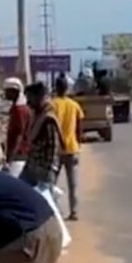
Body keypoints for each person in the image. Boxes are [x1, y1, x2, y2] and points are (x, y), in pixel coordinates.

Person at [20, 82, 63, 194]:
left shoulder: (48, 119)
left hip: (43, 170)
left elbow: (53, 147)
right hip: (31, 166)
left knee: (47, 202)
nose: (28, 102)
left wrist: (49, 172)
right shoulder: (37, 116)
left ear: (39, 97)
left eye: (30, 98)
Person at [51, 76, 84, 220]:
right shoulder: (74, 105)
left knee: (51, 182)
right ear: (67, 88)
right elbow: (79, 127)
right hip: (72, 148)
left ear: (56, 87)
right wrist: (78, 142)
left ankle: (53, 211)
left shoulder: (51, 104)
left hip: (56, 150)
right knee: (73, 184)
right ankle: (74, 211)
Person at [3, 77, 31, 175]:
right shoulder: (16, 108)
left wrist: (10, 159)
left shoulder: (19, 110)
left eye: (7, 91)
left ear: (14, 92)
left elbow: (19, 135)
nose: (5, 93)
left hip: (18, 156)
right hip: (18, 155)